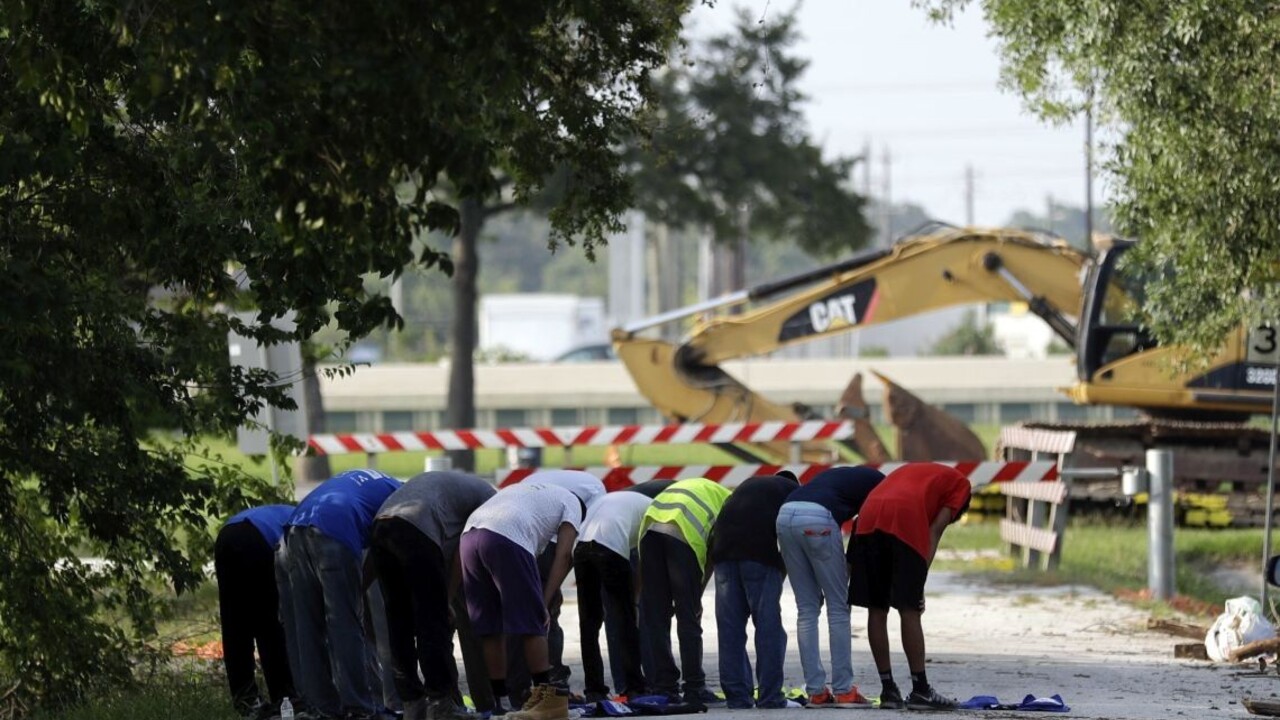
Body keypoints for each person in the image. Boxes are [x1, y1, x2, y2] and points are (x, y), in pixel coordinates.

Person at [369, 471, 497, 720]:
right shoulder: (490, 500)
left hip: (381, 527)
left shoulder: (457, 489)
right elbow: (463, 551)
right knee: (432, 621)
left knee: (399, 622)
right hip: (417, 528)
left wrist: (360, 588)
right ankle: (440, 702)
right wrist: (447, 598)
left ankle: (411, 702)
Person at [279, 469, 402, 720]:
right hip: (335, 529)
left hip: (295, 528)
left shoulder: (375, 484)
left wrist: (360, 585)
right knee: (345, 623)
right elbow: (385, 551)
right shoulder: (402, 498)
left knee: (308, 626)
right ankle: (358, 708)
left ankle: (321, 708)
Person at [847, 462, 971, 711]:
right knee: (910, 609)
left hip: (868, 516)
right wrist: (919, 583)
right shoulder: (962, 486)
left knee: (877, 608)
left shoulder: (915, 471)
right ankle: (921, 690)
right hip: (903, 515)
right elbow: (934, 530)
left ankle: (888, 690)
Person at [461, 482, 584, 720]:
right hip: (506, 535)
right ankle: (545, 698)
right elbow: (564, 555)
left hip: (469, 537)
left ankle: (500, 702)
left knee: (490, 627)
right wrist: (544, 602)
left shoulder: (532, 493)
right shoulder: (573, 503)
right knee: (532, 621)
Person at [775, 465, 885, 707]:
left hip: (785, 515)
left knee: (807, 608)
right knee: (838, 607)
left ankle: (816, 692)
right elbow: (862, 531)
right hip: (818, 519)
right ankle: (844, 690)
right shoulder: (883, 487)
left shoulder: (844, 477)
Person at [505, 471, 605, 705]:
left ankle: (517, 688)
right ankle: (553, 683)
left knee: (518, 613)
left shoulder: (536, 483)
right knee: (546, 614)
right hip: (544, 541)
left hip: (514, 535)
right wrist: (547, 597)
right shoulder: (596, 491)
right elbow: (574, 547)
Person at [637, 477, 732, 707]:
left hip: (649, 530)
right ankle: (694, 687)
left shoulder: (705, 489)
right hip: (682, 531)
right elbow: (714, 553)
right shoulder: (730, 504)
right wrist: (696, 595)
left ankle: (665, 686)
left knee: (657, 616)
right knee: (688, 615)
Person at [708, 473, 799, 709]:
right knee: (768, 625)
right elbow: (792, 542)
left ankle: (738, 697)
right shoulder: (794, 493)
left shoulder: (749, 486)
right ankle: (770, 697)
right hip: (758, 553)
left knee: (730, 628)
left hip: (722, 552)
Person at [215, 504, 297, 720]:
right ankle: (285, 699)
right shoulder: (307, 523)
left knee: (235, 623)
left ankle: (246, 701)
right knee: (270, 623)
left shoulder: (292, 513)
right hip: (258, 539)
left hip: (227, 535)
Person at [573, 489, 654, 701]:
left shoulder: (621, 500)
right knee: (624, 620)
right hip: (610, 547)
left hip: (581, 548)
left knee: (589, 623)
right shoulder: (654, 511)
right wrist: (635, 599)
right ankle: (634, 686)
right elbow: (644, 560)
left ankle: (594, 689)